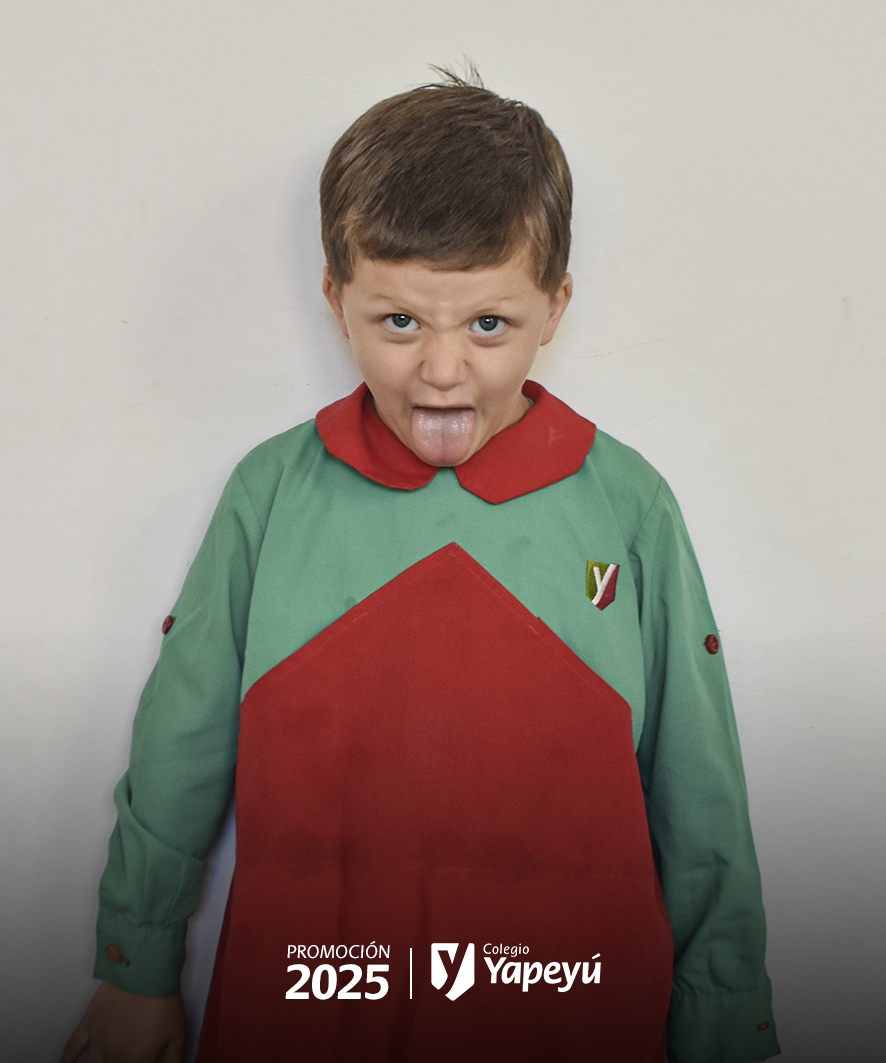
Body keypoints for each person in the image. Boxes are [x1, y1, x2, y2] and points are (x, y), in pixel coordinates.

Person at [62, 71, 779, 1063]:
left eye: (489, 324)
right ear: (336, 299)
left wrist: (726, 1022)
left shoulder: (629, 506)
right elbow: (181, 742)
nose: (443, 371)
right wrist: (133, 966)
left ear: (554, 307)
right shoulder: (272, 494)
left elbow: (700, 791)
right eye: (399, 321)